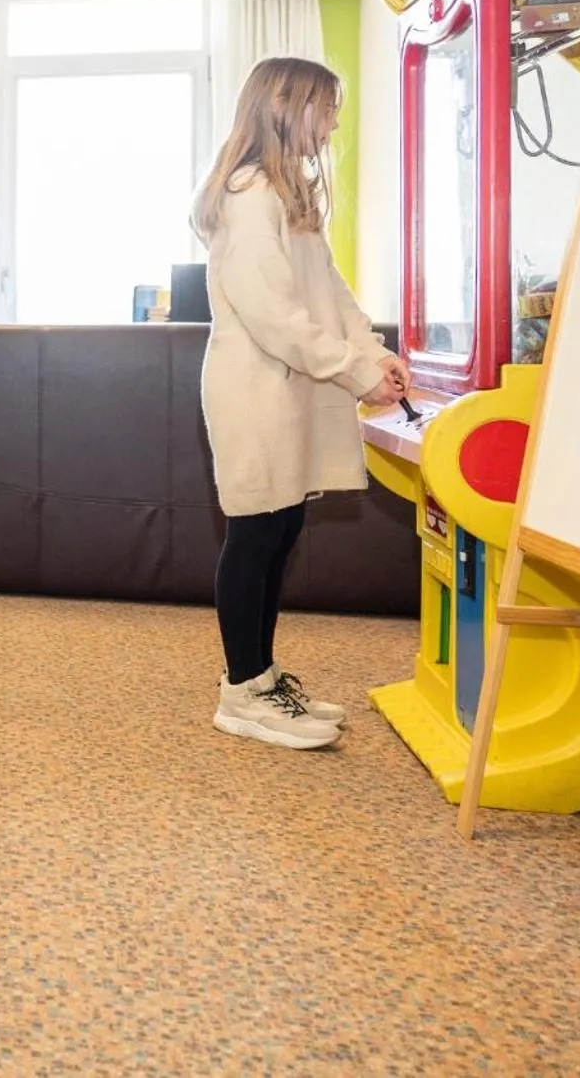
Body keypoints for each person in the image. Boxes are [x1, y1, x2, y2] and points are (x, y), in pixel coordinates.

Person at [193, 57, 409, 751]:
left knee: (280, 531)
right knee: (255, 532)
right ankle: (241, 691)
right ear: (286, 107)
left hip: (288, 387)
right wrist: (352, 371)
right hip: (254, 389)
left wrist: (372, 353)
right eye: (327, 106)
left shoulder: (292, 198)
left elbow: (331, 291)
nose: (336, 121)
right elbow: (275, 316)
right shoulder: (250, 195)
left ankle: (262, 677)